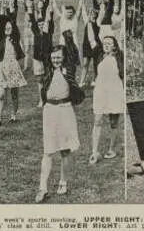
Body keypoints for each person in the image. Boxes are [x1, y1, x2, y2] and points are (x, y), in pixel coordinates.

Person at [36, 46, 83, 202]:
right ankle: (43, 187)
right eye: (53, 57)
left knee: (64, 150)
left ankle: (63, 182)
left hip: (65, 110)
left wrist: (67, 37)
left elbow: (73, 53)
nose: (56, 60)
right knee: (48, 150)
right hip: (49, 111)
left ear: (64, 57)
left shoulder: (68, 70)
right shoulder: (48, 72)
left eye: (59, 57)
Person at [89, 36, 125, 164]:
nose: (106, 45)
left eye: (109, 44)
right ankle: (94, 151)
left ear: (115, 45)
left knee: (113, 122)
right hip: (100, 91)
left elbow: (123, 75)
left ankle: (111, 149)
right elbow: (91, 38)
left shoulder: (119, 57)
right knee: (97, 120)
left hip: (114, 91)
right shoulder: (99, 56)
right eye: (104, 44)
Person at [0, 0, 27, 126]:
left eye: (10, 28)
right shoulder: (2, 38)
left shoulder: (15, 38)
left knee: (14, 93)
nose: (7, 29)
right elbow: (2, 19)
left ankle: (13, 115)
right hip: (2, 67)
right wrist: (3, 1)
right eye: (6, 28)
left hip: (13, 67)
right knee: (1, 94)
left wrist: (13, 1)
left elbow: (12, 18)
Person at [29, 0, 55, 107]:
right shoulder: (35, 31)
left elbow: (49, 14)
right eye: (38, 24)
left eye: (42, 24)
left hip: (47, 57)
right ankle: (41, 100)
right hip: (37, 58)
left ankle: (49, 98)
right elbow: (31, 18)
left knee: (48, 78)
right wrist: (30, 6)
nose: (40, 26)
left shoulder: (47, 31)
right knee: (39, 80)